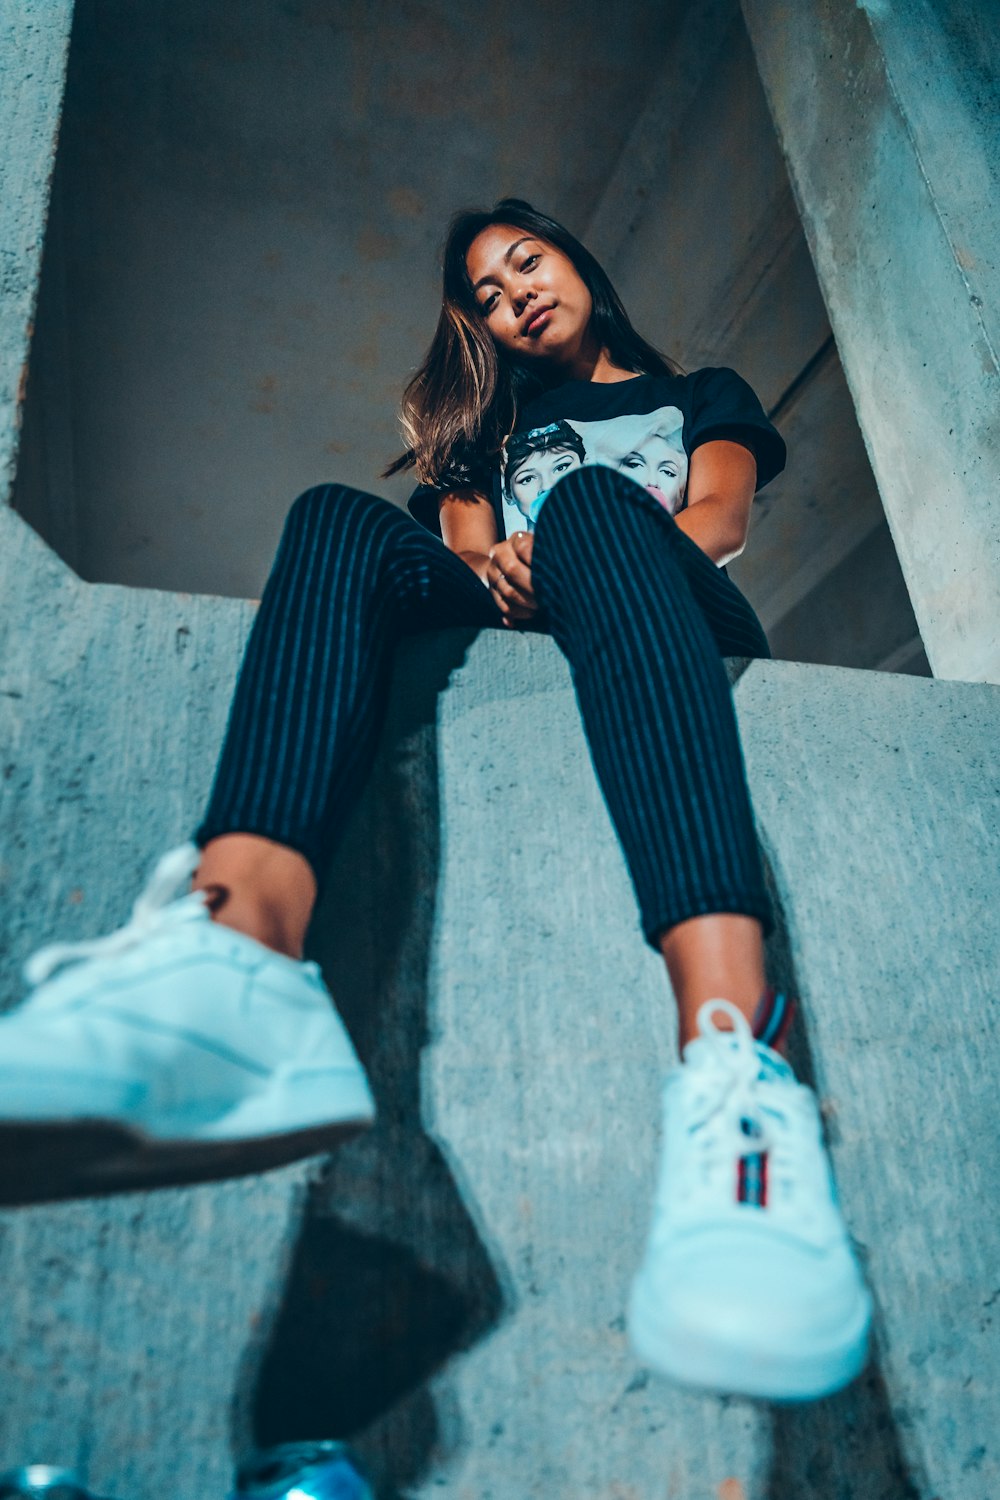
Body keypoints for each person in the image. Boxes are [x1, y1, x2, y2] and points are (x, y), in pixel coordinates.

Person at [0, 199, 871, 1402]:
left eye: (529, 262)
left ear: (578, 265)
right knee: (336, 519)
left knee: (591, 509)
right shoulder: (488, 437)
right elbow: (462, 557)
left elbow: (716, 522)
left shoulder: (699, 393)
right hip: (525, 599)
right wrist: (493, 562)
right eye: (487, 292)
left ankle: (740, 1062)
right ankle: (232, 951)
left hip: (667, 590)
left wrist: (568, 531)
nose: (514, 292)